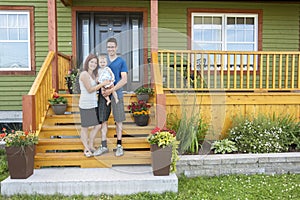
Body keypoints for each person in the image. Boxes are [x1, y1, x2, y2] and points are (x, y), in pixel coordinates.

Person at [94, 37, 128, 157]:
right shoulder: (103, 61)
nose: (110, 49)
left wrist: (112, 90)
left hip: (116, 93)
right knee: (103, 119)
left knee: (118, 120)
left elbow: (124, 79)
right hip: (103, 95)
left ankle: (119, 145)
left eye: (112, 47)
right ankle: (103, 146)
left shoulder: (121, 62)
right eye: (108, 47)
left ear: (116, 47)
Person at [78, 54, 110, 157]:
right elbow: (90, 89)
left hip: (93, 104)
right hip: (85, 104)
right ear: (87, 62)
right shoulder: (84, 74)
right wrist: (102, 84)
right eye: (91, 62)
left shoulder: (93, 75)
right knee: (85, 127)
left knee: (98, 125)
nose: (93, 64)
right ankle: (86, 149)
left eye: (95, 63)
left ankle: (91, 145)